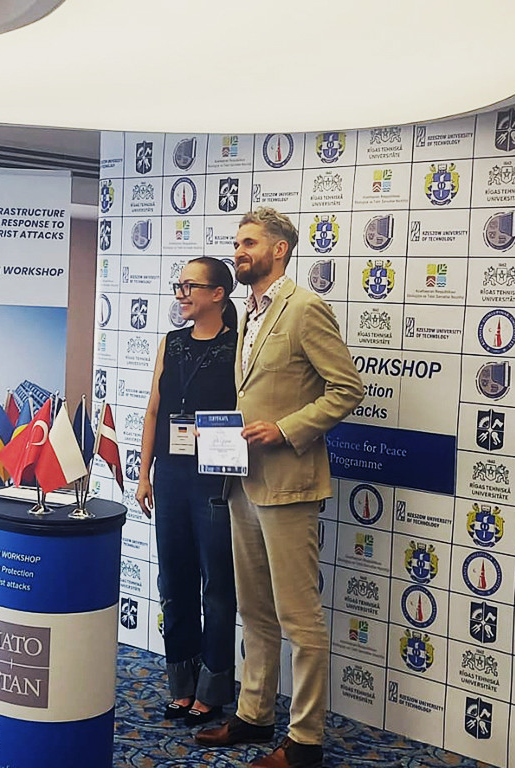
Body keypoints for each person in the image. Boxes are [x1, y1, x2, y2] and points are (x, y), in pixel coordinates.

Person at [195, 208, 364, 768]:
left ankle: (306, 741)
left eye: (248, 243)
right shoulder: (249, 312)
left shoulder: (305, 308)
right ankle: (254, 714)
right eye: (237, 243)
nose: (238, 252)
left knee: (299, 616)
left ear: (279, 250)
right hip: (243, 481)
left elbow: (347, 389)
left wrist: (286, 428)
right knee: (254, 609)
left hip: (289, 483)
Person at [136, 256, 239, 727]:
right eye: (178, 286)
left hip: (215, 479)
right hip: (171, 477)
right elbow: (153, 411)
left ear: (218, 294)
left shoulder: (238, 347)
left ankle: (212, 691)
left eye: (189, 286)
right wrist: (144, 474)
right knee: (173, 584)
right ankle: (181, 684)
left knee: (216, 588)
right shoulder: (171, 343)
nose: (180, 294)